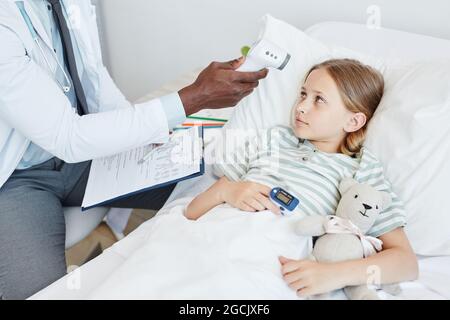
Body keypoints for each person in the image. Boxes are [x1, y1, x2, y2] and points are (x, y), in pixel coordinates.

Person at [0, 0, 268, 299]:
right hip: (16, 178)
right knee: (37, 294)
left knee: (215, 187)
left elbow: (92, 73)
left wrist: (145, 133)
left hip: (85, 152)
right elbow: (67, 137)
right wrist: (193, 97)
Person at [185, 59, 418, 297]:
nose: (301, 107)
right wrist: (227, 192)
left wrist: (333, 274)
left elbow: (405, 262)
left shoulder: (361, 169)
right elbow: (192, 212)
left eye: (319, 100)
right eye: (303, 94)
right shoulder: (274, 140)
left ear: (353, 121)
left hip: (273, 254)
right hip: (216, 233)